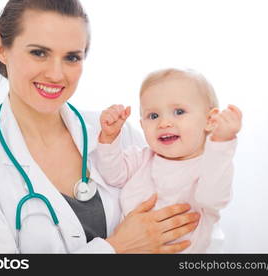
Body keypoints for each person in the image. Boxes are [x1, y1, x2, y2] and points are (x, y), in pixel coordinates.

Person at [0, 0, 200, 253]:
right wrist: (116, 248)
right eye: (39, 53)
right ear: (1, 48)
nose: (56, 74)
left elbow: (187, 231)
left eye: (72, 58)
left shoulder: (119, 136)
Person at [95, 68, 242, 253]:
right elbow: (112, 175)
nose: (164, 123)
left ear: (210, 120)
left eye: (179, 111)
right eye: (153, 116)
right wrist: (109, 138)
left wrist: (221, 143)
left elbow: (214, 198)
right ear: (142, 125)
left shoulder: (211, 167)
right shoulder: (142, 158)